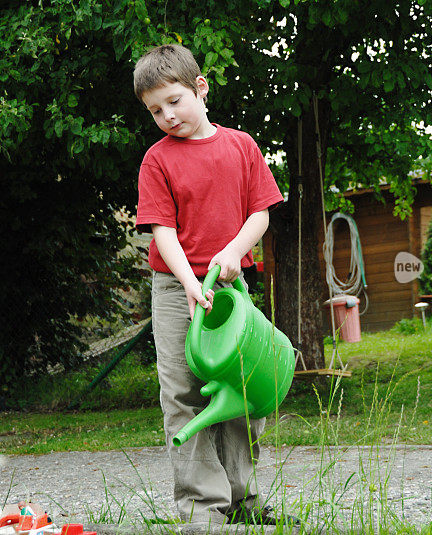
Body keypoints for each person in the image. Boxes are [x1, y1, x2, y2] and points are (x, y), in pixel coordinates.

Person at [133, 44, 292, 526]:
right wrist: (187, 282)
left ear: (201, 88)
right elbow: (162, 231)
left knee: (241, 390)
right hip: (175, 289)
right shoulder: (156, 161)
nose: (167, 116)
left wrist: (229, 256)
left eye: (174, 101)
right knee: (184, 394)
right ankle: (203, 507)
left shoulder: (241, 145)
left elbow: (259, 214)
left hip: (230, 290)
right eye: (155, 110)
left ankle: (243, 499)